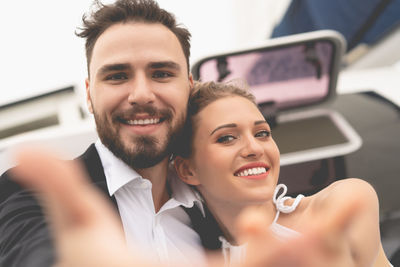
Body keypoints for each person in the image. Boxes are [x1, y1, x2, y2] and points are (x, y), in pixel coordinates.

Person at [0, 0, 207, 266]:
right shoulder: (38, 194)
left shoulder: (209, 203)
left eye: (162, 73)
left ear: (189, 87)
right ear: (89, 95)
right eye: (117, 76)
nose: (141, 95)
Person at [173, 81, 393, 267]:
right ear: (187, 170)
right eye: (226, 138)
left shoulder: (338, 204)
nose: (255, 148)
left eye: (262, 133)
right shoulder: (193, 255)